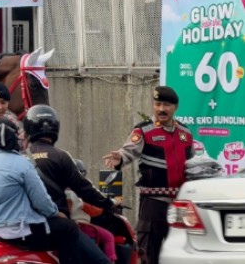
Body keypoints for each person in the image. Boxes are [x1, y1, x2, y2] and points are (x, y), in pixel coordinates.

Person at [0, 117, 83, 263]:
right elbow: (41, 201)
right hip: (15, 231)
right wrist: (56, 212)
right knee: (69, 228)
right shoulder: (22, 163)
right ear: (16, 138)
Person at [102, 86, 193, 264]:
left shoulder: (186, 133)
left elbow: (192, 163)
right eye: (157, 104)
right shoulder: (144, 131)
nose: (161, 109)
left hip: (181, 204)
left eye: (166, 105)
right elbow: (129, 151)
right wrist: (119, 157)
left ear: (175, 108)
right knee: (149, 251)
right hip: (154, 203)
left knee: (183, 250)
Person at [24, 104, 114, 264]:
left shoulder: (21, 158)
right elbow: (84, 188)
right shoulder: (60, 156)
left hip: (25, 227)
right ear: (55, 127)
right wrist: (107, 202)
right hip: (57, 225)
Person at [66, 159, 117, 264]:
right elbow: (95, 210)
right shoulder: (79, 192)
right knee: (108, 237)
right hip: (82, 227)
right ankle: (111, 261)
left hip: (68, 227)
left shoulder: (63, 189)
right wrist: (105, 206)